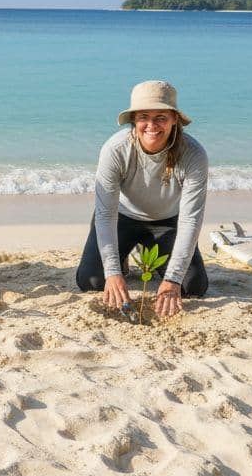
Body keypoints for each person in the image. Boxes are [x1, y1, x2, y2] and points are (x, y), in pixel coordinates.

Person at [76, 80, 209, 318]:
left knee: (193, 287)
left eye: (161, 117)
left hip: (168, 223)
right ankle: (124, 256)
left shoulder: (194, 154)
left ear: (174, 119)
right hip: (121, 218)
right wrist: (114, 272)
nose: (151, 125)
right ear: (134, 120)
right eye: (144, 117)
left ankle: (149, 252)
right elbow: (106, 214)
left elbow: (190, 221)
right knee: (92, 281)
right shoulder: (115, 149)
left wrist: (173, 279)